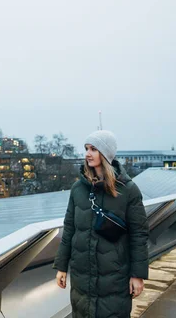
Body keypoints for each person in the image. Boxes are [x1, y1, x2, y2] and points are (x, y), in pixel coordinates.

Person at [53, 130, 149, 318]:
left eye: (94, 149)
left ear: (106, 154)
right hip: (82, 277)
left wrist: (137, 275)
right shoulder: (78, 189)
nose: (88, 153)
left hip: (115, 276)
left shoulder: (128, 190)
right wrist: (62, 266)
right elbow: (69, 229)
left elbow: (139, 234)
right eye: (87, 148)